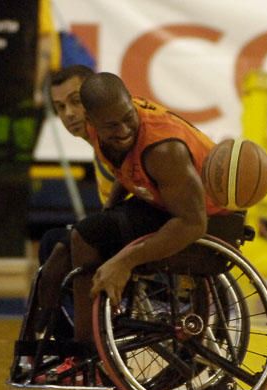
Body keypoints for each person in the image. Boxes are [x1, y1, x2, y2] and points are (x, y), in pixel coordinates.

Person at [62, 72, 228, 353]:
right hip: (163, 205)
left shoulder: (164, 150)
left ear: (131, 102)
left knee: (85, 237)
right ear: (92, 122)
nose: (124, 129)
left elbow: (193, 224)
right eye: (112, 125)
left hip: (209, 217)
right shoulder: (97, 130)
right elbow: (123, 165)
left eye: (128, 117)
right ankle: (55, 344)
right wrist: (111, 206)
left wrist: (123, 262)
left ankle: (87, 352)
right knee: (58, 249)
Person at [29, 65, 114, 337]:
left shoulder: (115, 139)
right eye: (59, 106)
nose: (68, 114)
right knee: (52, 241)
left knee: (63, 245)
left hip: (142, 234)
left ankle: (78, 342)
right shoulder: (98, 145)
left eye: (76, 101)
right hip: (122, 228)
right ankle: (62, 336)